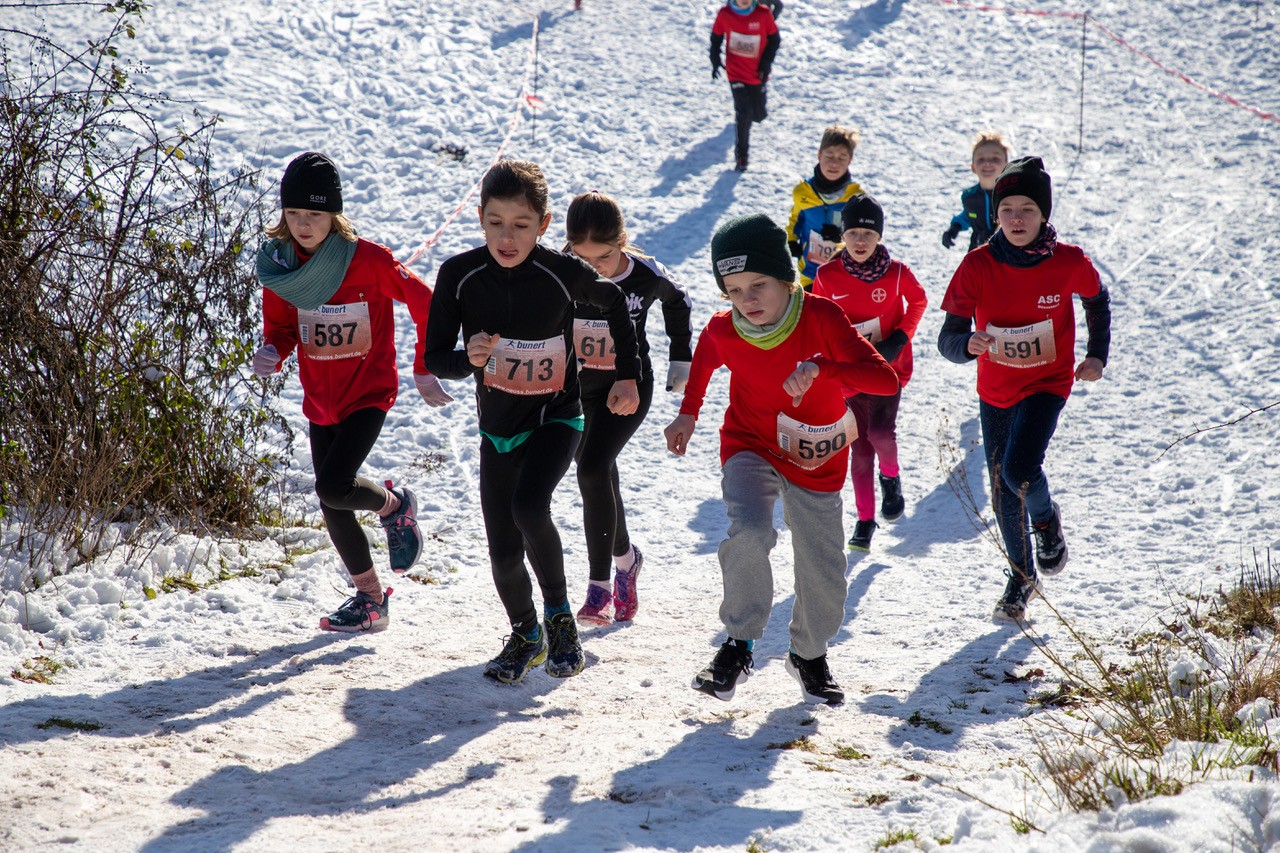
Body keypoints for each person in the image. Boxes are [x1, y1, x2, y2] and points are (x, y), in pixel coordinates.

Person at [664, 213, 898, 705]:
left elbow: (885, 381)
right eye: (733, 290)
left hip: (816, 454)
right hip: (750, 443)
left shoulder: (822, 318)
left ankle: (808, 654)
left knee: (822, 564)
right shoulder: (725, 329)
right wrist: (688, 414)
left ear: (786, 279)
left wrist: (823, 369)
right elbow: (704, 364)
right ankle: (738, 644)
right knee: (748, 532)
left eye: (758, 284)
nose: (747, 299)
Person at [423, 159, 642, 684]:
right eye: (496, 221)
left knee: (529, 505)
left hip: (557, 416)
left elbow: (616, 308)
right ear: (479, 218)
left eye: (521, 224)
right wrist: (467, 360)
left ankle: (561, 618)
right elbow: (435, 358)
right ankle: (526, 634)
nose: (507, 235)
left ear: (543, 226)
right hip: (497, 428)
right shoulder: (460, 274)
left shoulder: (560, 272)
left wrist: (629, 376)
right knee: (501, 551)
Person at [252, 152, 452, 633]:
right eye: (294, 213)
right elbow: (280, 327)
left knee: (334, 486)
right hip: (320, 400)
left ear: (334, 215)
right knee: (332, 503)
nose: (303, 224)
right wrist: (272, 350)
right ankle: (370, 601)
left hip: (368, 394)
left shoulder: (370, 260)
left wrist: (424, 368)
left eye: (315, 215)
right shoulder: (280, 266)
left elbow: (428, 304)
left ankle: (394, 505)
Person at [937, 156, 1111, 621]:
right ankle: (1022, 575)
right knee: (1001, 489)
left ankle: (1047, 522)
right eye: (1007, 208)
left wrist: (1097, 354)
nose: (1016, 218)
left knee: (1020, 471)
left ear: (1043, 215)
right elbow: (947, 340)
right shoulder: (976, 265)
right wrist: (968, 345)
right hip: (996, 389)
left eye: (1027, 209)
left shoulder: (1069, 261)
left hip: (1047, 382)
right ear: (995, 214)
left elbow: (1097, 299)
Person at [564, 191, 694, 626]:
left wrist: (681, 357)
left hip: (628, 389)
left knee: (592, 470)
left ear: (622, 241)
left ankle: (598, 586)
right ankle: (626, 561)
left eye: (602, 256)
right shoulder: (558, 270)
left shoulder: (645, 273)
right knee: (601, 477)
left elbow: (679, 302)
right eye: (582, 257)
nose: (593, 268)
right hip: (575, 391)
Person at [811, 194, 928, 552]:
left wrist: (899, 337)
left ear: (879, 237)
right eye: (854, 233)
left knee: (881, 433)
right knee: (859, 452)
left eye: (868, 233)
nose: (860, 241)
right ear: (843, 236)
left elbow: (919, 300)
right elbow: (819, 320)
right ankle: (864, 521)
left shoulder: (896, 273)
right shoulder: (827, 275)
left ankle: (891, 478)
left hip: (889, 369)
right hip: (850, 375)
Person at [786, 125, 864, 290]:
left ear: (850, 161)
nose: (834, 163)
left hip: (843, 276)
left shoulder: (855, 196)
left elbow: (863, 236)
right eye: (829, 155)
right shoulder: (803, 192)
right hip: (810, 274)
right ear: (819, 155)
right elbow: (795, 220)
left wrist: (841, 239)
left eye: (842, 157)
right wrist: (791, 241)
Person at [710, 0, 780, 172]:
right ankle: (742, 156)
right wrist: (715, 60)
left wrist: (765, 64)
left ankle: (756, 113)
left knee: (758, 115)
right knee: (743, 113)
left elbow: (775, 40)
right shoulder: (725, 14)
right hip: (735, 73)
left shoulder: (763, 14)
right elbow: (716, 38)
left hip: (757, 75)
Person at [942, 131, 1011, 252]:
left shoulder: (1013, 195)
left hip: (1008, 254)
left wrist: (994, 235)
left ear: (1007, 166)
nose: (988, 163)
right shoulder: (970, 197)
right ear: (973, 167)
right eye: (981, 159)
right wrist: (955, 227)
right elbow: (970, 215)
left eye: (995, 158)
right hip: (977, 254)